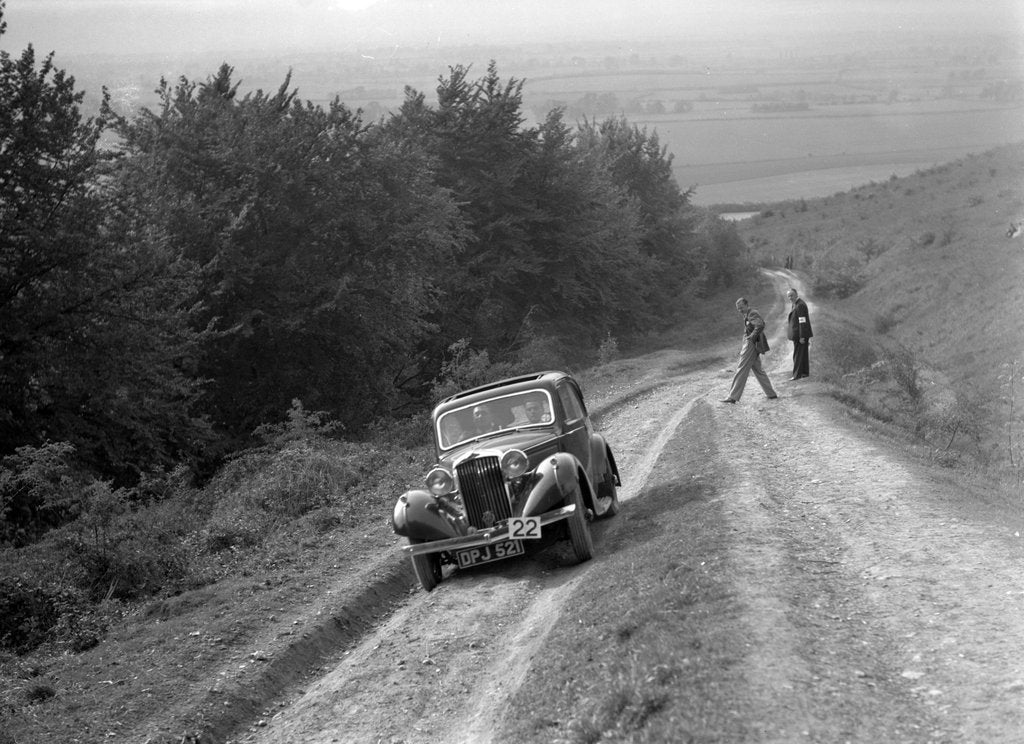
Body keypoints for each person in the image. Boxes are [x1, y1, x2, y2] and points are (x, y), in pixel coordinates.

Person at [721, 297, 778, 403]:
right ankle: (771, 394)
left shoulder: (752, 313)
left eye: (741, 307)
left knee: (741, 369)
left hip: (752, 344)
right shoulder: (747, 314)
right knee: (758, 370)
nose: (740, 310)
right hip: (752, 344)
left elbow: (760, 325)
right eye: (738, 308)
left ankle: (732, 397)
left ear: (747, 305)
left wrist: (752, 336)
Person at [786, 287, 813, 380]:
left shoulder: (800, 305)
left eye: (792, 295)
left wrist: (802, 336)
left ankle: (796, 375)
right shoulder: (795, 304)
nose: (790, 298)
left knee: (797, 355)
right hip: (800, 334)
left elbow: (802, 322)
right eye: (788, 296)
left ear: (796, 294)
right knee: (803, 354)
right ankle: (804, 373)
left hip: (800, 335)